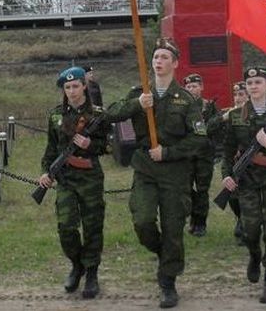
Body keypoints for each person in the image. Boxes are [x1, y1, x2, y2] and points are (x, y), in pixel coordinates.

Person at [106, 38, 206, 309]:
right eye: (155, 57)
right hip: (146, 171)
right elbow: (111, 114)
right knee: (143, 221)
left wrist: (168, 153)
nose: (158, 61)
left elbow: (199, 138)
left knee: (173, 228)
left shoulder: (185, 100)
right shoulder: (139, 92)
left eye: (164, 57)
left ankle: (168, 282)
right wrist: (137, 104)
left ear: (174, 64)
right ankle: (165, 254)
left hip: (174, 173)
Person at [38, 66, 112, 299]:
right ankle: (76, 264)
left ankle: (91, 272)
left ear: (84, 86)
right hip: (65, 179)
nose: (71, 91)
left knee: (92, 226)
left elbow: (108, 146)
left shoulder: (97, 114)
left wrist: (89, 145)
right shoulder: (56, 115)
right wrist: (45, 172)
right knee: (66, 226)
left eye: (75, 86)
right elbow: (51, 148)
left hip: (90, 177)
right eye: (67, 87)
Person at [222, 66, 266, 304]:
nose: (254, 87)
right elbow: (228, 149)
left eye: (259, 82)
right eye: (250, 83)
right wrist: (226, 174)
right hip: (247, 178)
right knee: (250, 229)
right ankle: (254, 254)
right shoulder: (234, 115)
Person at [207, 81, 249, 245]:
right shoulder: (228, 113)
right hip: (231, 160)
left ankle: (246, 225)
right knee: (232, 195)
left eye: (242, 95)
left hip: (251, 160)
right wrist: (224, 118)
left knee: (249, 195)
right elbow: (207, 128)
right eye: (236, 95)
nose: (238, 98)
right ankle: (240, 218)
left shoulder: (255, 114)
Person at [182, 73, 218, 237]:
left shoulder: (209, 107)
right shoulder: (181, 107)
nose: (191, 89)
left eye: (194, 86)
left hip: (204, 155)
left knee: (202, 189)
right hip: (187, 155)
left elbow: (216, 128)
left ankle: (200, 223)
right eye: (188, 87)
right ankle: (192, 220)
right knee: (187, 188)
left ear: (201, 87)